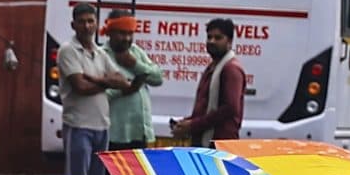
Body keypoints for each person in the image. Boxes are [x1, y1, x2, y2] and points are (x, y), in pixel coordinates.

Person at [54, 2, 116, 175]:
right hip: (79, 125)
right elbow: (80, 87)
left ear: (97, 24)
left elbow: (121, 80)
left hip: (102, 126)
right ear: (73, 25)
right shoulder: (68, 50)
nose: (87, 26)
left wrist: (96, 79)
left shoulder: (100, 52)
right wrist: (107, 83)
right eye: (82, 22)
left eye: (90, 21)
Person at [170, 17, 246, 145]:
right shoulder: (213, 67)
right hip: (205, 140)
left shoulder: (231, 69)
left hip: (219, 144)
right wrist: (185, 123)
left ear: (229, 41)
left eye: (218, 38)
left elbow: (229, 109)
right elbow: (205, 109)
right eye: (209, 37)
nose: (212, 41)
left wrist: (193, 125)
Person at [99, 12, 165, 152]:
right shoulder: (101, 55)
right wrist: (124, 89)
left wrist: (135, 64)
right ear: (110, 32)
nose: (127, 38)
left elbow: (158, 78)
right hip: (114, 135)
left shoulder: (136, 52)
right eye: (122, 33)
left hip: (139, 134)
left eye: (130, 33)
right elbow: (98, 95)